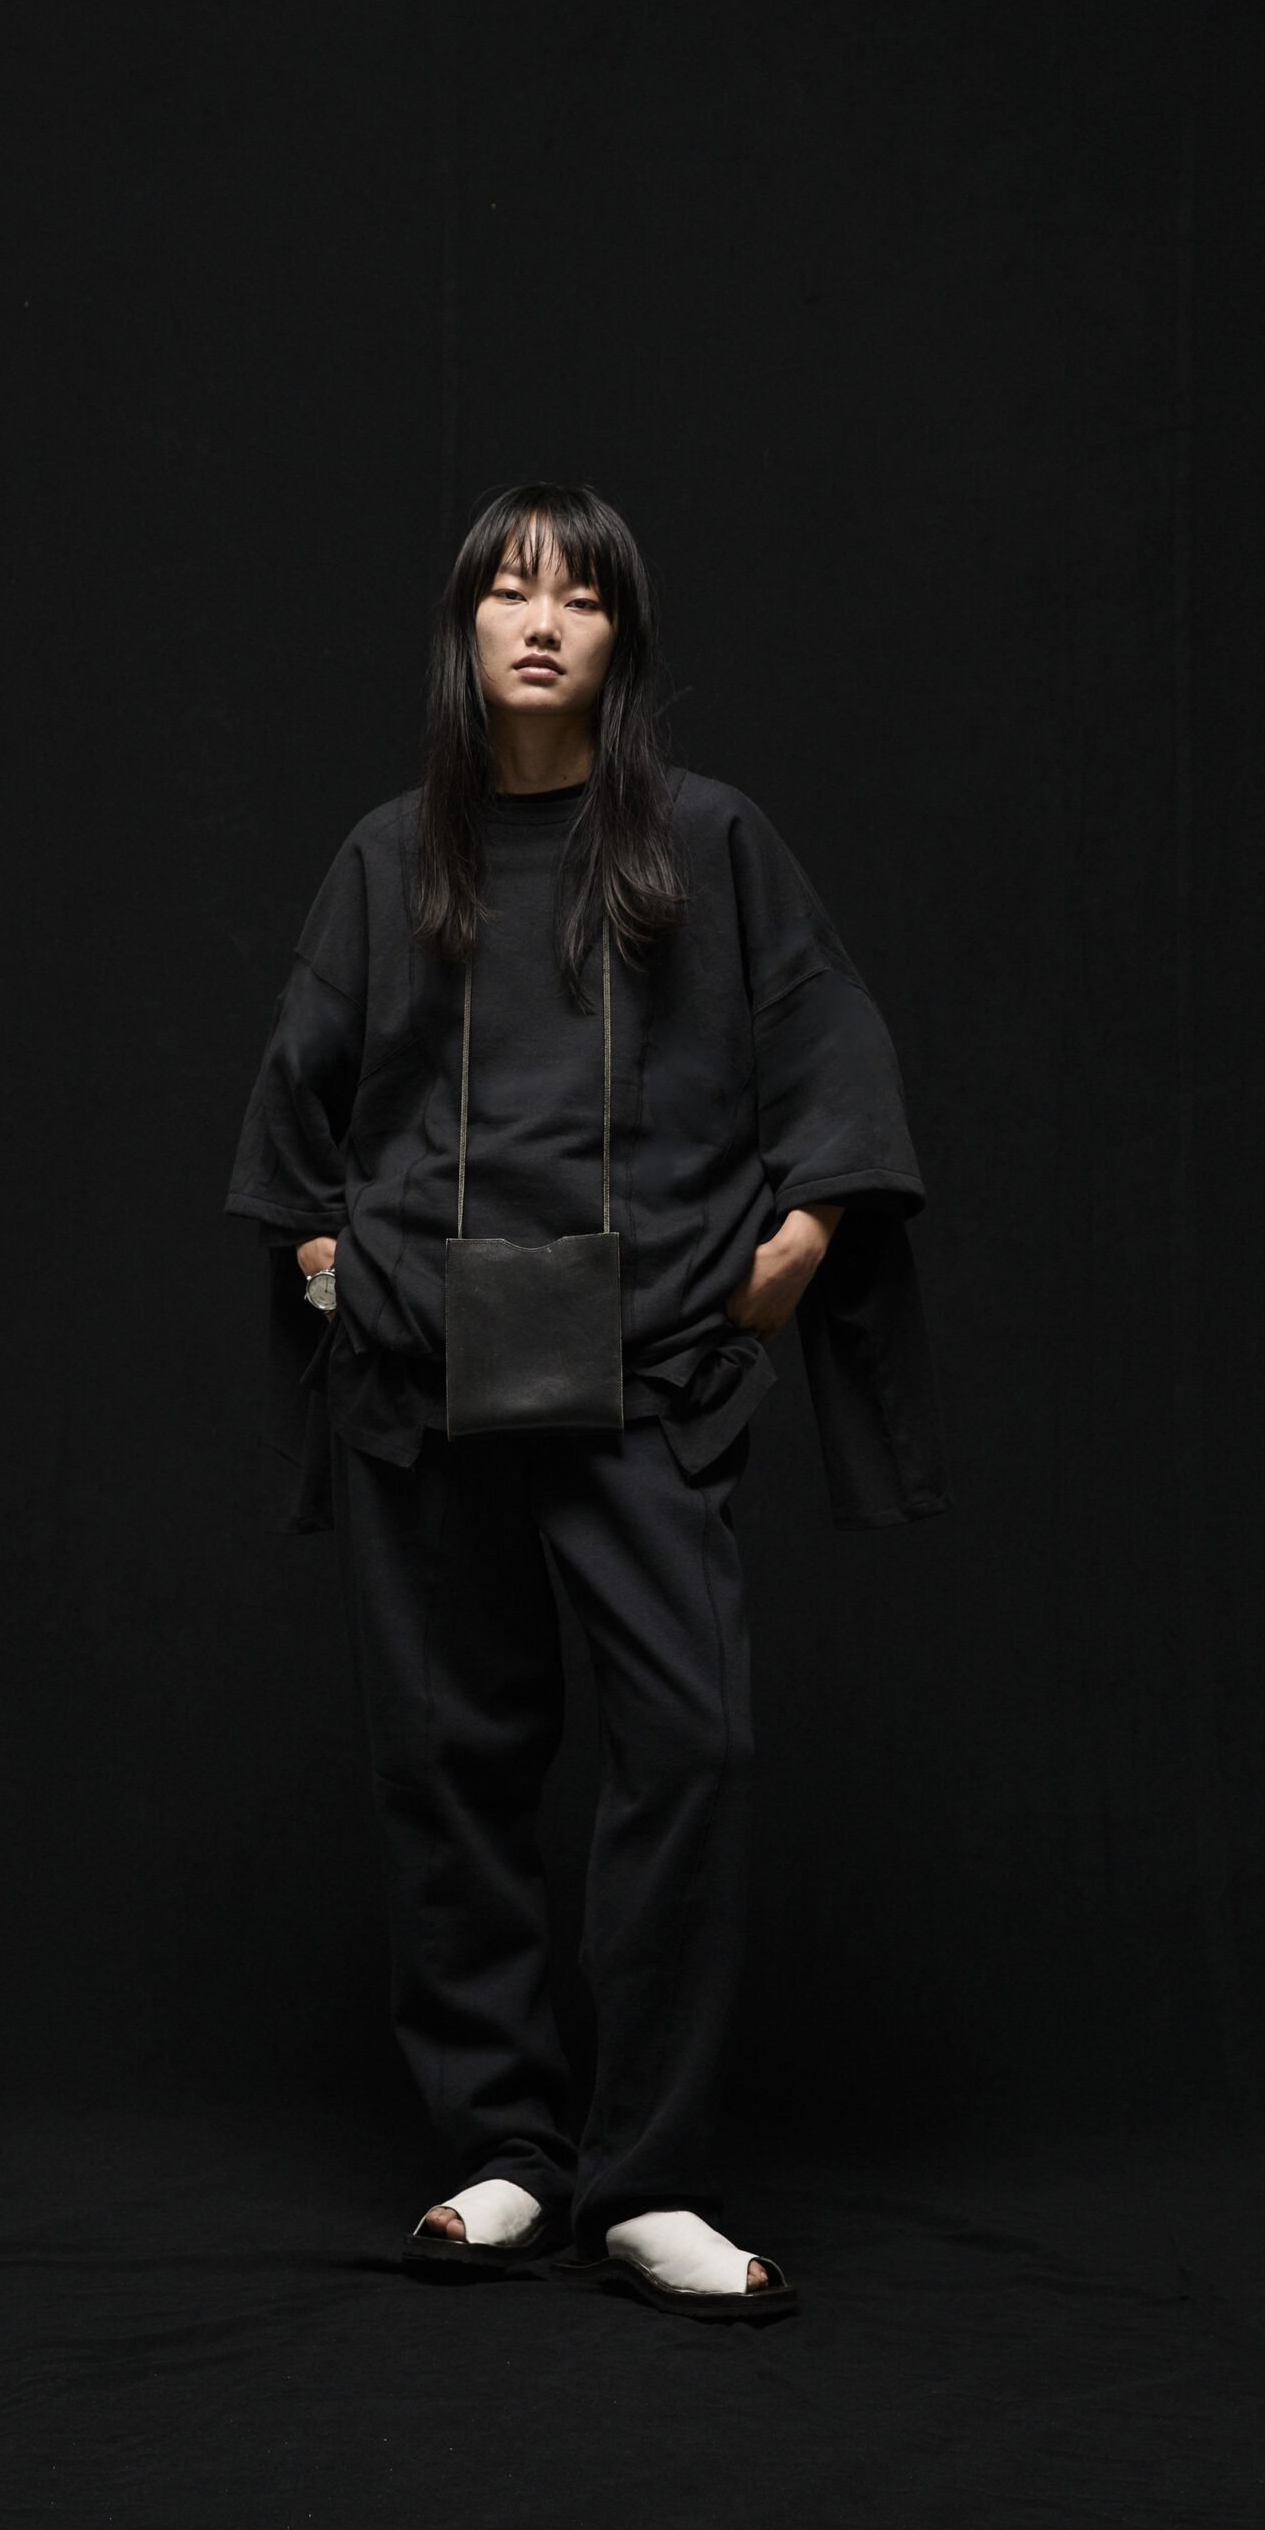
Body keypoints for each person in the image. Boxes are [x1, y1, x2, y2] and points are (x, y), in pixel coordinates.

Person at [224, 481, 951, 2320]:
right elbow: (294, 1118)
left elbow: (833, 1057)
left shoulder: (711, 841)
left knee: (691, 1744)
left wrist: (794, 1248)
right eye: (506, 589)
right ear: (463, 627)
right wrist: (335, 1271)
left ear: (624, 638)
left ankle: (648, 2178)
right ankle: (503, 2150)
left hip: (646, 1371)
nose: (540, 622)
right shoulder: (390, 856)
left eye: (581, 597)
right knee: (449, 1756)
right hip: (426, 1371)